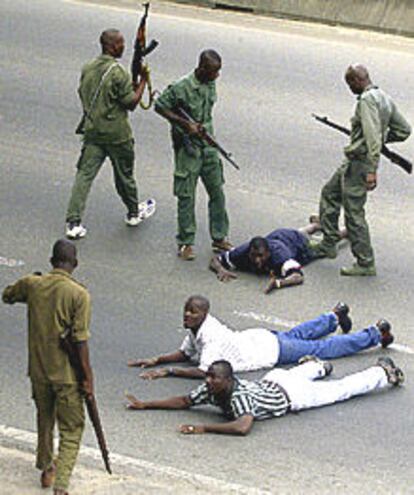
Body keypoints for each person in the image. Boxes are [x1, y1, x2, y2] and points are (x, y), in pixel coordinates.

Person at [2, 240, 93, 495]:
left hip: (39, 372)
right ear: (74, 264)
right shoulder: (79, 295)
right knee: (72, 429)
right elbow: (81, 342)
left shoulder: (33, 284)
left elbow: (8, 295)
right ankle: (61, 485)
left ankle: (46, 466)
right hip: (66, 376)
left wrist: (32, 283)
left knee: (45, 419)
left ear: (52, 261)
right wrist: (88, 378)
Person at [127, 295, 394, 379]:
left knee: (322, 348)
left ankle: (374, 333)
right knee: (297, 334)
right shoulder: (198, 329)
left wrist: (168, 372)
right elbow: (185, 353)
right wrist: (156, 359)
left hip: (270, 352)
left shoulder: (210, 337)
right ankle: (334, 316)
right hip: (261, 338)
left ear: (204, 314)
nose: (187, 315)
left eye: (192, 312)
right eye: (186, 311)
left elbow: (203, 371)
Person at [125, 357, 404, 436]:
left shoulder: (238, 398)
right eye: (208, 376)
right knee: (294, 373)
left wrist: (203, 428)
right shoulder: (212, 389)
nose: (208, 381)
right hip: (273, 380)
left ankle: (381, 373)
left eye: (214, 378)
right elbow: (184, 401)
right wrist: (145, 404)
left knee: (340, 390)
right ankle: (318, 366)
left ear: (228, 380)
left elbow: (243, 426)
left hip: (292, 394)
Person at [310, 64, 411, 276]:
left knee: (354, 214)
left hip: (360, 164)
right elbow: (404, 130)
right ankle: (329, 243)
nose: (350, 89)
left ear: (357, 80)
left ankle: (365, 262)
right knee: (330, 194)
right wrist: (378, 139)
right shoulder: (382, 95)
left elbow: (374, 136)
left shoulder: (366, 101)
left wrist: (372, 167)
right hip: (354, 160)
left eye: (350, 84)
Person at [65, 29, 156, 239]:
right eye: (121, 43)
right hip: (117, 135)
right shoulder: (118, 72)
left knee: (84, 176)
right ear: (112, 46)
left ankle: (73, 222)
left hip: (93, 131)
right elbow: (132, 103)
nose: (123, 46)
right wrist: (143, 80)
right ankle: (134, 213)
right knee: (124, 176)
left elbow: (86, 93)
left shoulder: (87, 67)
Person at [154, 49, 231, 261]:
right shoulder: (182, 87)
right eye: (214, 72)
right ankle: (186, 242)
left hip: (208, 145)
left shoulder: (210, 83)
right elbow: (160, 106)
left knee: (217, 192)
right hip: (188, 148)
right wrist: (184, 124)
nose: (217, 76)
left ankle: (219, 237)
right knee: (186, 196)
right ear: (202, 68)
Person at [210, 218, 347, 293]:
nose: (257, 260)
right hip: (280, 235)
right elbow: (216, 260)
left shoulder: (280, 257)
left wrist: (280, 283)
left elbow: (298, 276)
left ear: (268, 253)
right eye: (253, 256)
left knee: (323, 245)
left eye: (261, 256)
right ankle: (315, 225)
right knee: (297, 233)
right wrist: (221, 269)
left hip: (298, 246)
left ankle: (346, 231)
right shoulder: (242, 252)